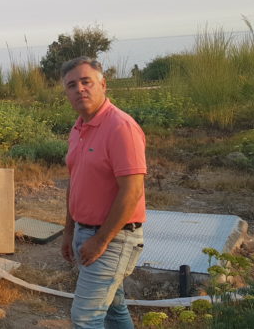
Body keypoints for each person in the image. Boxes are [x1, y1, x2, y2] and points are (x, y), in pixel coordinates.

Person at [60, 56, 146, 329]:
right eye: (72, 85)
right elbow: (75, 182)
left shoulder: (121, 127)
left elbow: (132, 191)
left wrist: (101, 240)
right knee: (113, 311)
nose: (80, 89)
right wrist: (68, 230)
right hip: (85, 232)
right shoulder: (79, 128)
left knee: (85, 318)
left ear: (103, 84)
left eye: (86, 82)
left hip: (113, 237)